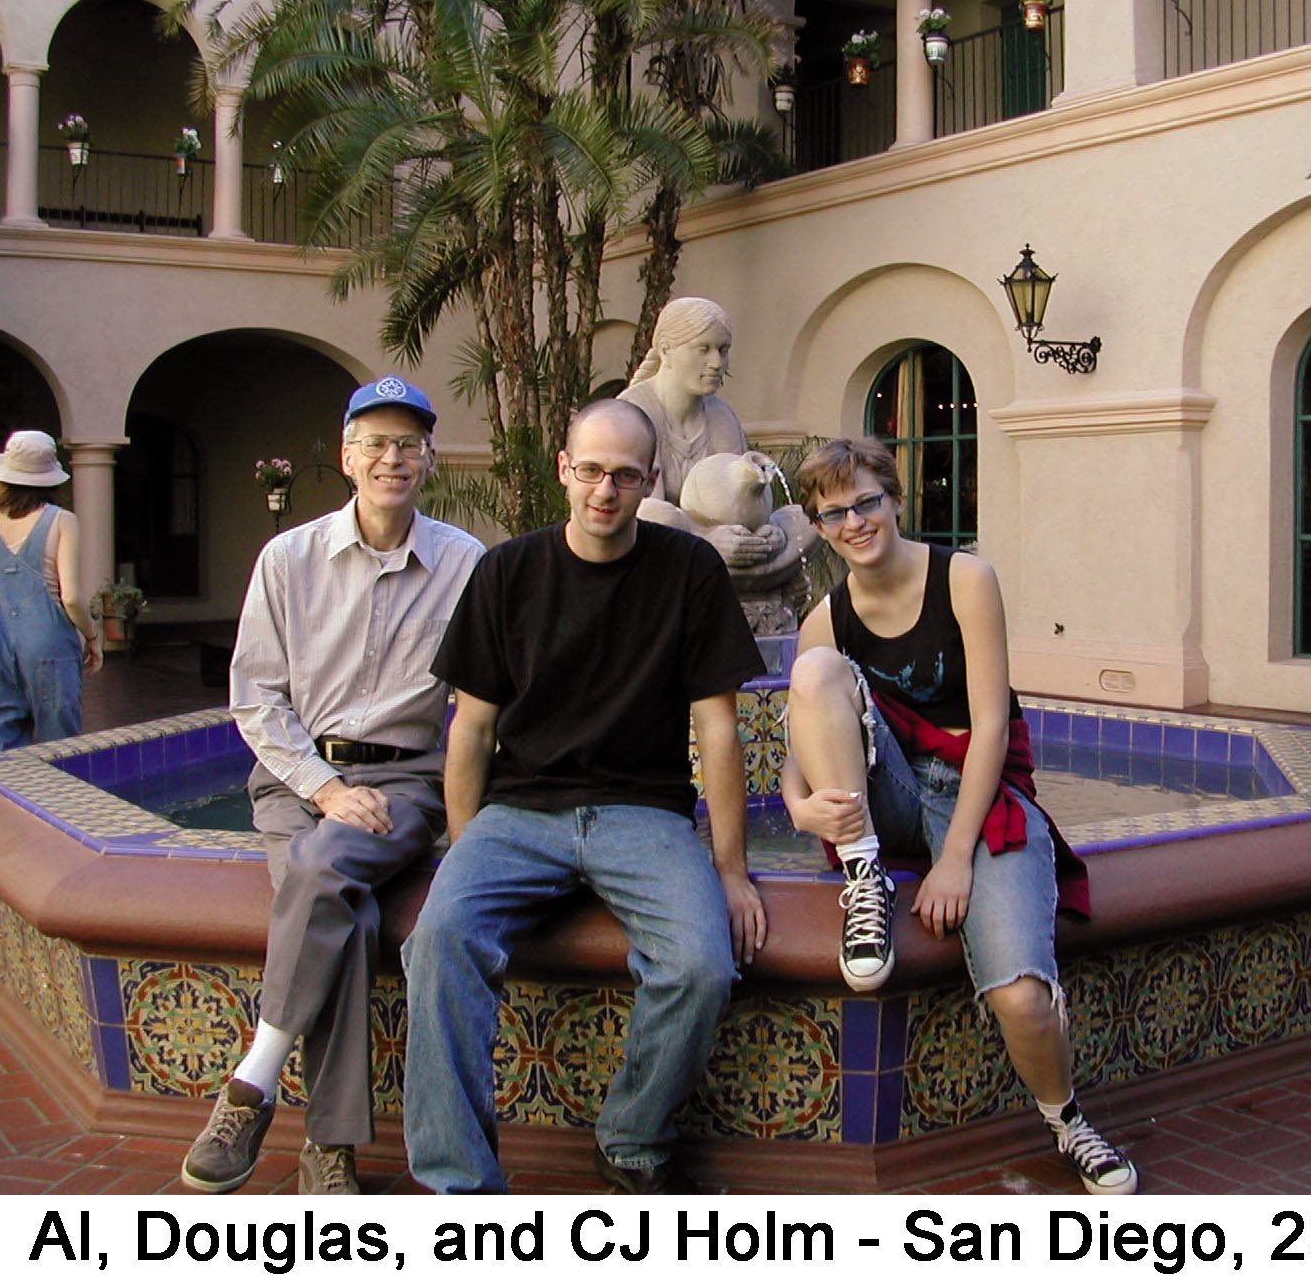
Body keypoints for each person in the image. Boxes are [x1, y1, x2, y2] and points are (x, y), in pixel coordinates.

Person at [402, 398, 768, 1194]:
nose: (606, 488)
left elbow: (719, 730)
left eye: (626, 474)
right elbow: (470, 731)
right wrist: (467, 848)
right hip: (519, 812)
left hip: (645, 814)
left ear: (652, 479)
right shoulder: (508, 572)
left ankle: (633, 1136)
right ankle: (457, 1182)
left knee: (702, 964)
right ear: (564, 471)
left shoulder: (689, 570)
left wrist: (732, 868)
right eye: (592, 470)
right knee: (437, 943)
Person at [780, 438, 1138, 1196]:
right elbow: (798, 744)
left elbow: (993, 727)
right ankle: (866, 880)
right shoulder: (826, 619)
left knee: (1021, 998)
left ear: (896, 500)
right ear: (816, 524)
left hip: (977, 792)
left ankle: (1066, 1117)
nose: (855, 522)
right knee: (813, 670)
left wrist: (954, 859)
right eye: (834, 512)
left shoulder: (965, 579)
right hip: (893, 794)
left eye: (867, 501)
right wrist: (796, 803)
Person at [179, 376, 483, 1196]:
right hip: (296, 778)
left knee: (322, 873)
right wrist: (321, 788)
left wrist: (468, 821)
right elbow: (256, 695)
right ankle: (329, 1147)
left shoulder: (464, 562)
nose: (394, 458)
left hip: (406, 782)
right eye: (376, 443)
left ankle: (253, 1080)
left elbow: (479, 704)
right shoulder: (289, 558)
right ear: (347, 456)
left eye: (409, 444)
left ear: (428, 458)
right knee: (342, 914)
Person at [618, 297, 816, 584]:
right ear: (665, 350)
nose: (717, 363)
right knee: (655, 515)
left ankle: (739, 569)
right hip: (661, 546)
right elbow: (644, 511)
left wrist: (761, 530)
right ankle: (725, 566)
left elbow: (738, 504)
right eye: (703, 350)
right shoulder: (633, 412)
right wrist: (705, 538)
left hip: (721, 540)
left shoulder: (721, 415)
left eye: (723, 350)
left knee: (804, 519)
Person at [0, 430, 102, 761]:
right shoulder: (62, 521)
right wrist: (93, 637)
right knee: (59, 752)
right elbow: (73, 598)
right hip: (51, 648)